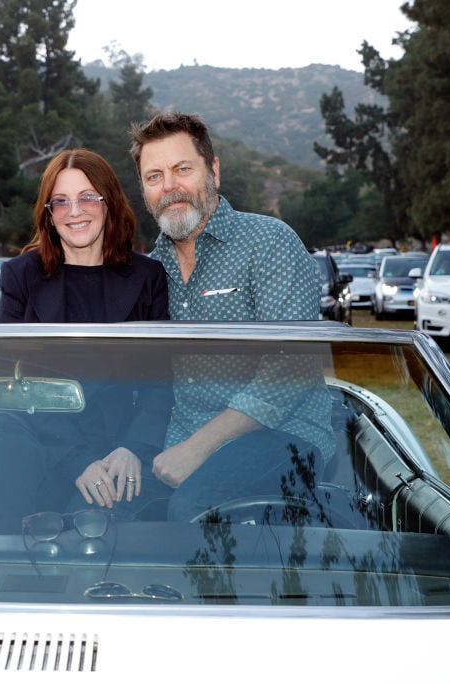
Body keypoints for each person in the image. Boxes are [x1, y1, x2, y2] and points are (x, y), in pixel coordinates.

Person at [0, 148, 170, 533]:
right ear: (48, 213)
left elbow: (161, 379)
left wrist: (134, 448)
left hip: (113, 444)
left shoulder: (148, 277)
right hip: (34, 438)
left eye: (87, 197)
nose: (75, 211)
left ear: (109, 202)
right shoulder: (21, 276)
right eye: (61, 201)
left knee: (95, 532)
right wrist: (74, 460)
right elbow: (15, 381)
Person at [129, 111, 334, 521]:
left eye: (182, 169)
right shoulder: (151, 271)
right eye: (154, 177)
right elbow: (143, 380)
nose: (169, 187)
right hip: (179, 441)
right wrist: (127, 450)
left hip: (286, 437)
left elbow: (289, 369)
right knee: (110, 511)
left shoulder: (269, 242)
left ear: (214, 171)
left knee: (193, 511)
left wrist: (198, 448)